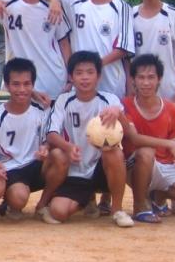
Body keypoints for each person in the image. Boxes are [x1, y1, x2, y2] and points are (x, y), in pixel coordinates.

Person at [44, 51, 135, 227]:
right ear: (71, 77)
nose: (85, 77)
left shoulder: (110, 100)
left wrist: (118, 113)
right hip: (76, 169)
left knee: (114, 153)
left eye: (90, 72)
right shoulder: (63, 100)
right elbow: (51, 133)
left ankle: (117, 210)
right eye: (79, 73)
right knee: (58, 212)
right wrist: (68, 147)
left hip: (101, 168)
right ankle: (87, 200)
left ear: (98, 76)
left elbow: (128, 133)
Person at [0, 58, 67, 221]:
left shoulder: (41, 110)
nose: (22, 89)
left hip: (36, 165)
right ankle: (6, 201)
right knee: (19, 198)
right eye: (16, 84)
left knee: (59, 156)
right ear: (6, 85)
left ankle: (43, 204)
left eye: (27, 84)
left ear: (33, 85)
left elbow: (49, 137)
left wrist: (45, 147)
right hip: (12, 170)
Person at [123, 54, 175, 221]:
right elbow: (134, 139)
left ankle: (158, 195)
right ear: (133, 80)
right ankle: (140, 206)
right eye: (141, 77)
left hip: (165, 165)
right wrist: (168, 144)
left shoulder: (171, 109)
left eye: (151, 77)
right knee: (146, 152)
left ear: (159, 79)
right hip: (137, 166)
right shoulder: (126, 105)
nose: (146, 83)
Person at [52, 0, 134, 98]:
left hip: (112, 86)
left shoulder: (121, 6)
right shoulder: (75, 3)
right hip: (80, 86)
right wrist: (52, 1)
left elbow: (123, 48)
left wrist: (94, 66)